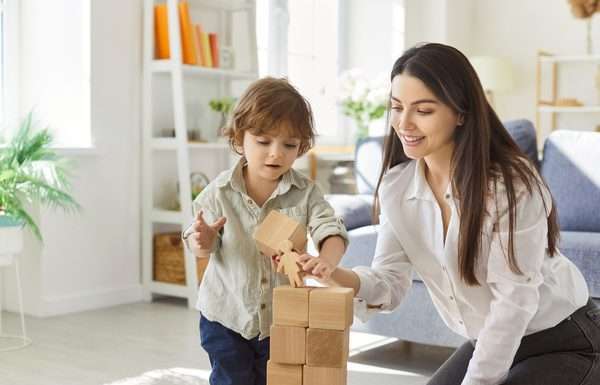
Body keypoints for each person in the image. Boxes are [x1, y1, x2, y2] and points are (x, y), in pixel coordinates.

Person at [299, 43, 600, 385]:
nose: (404, 123)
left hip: (565, 337)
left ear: (461, 113)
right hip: (490, 339)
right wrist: (334, 274)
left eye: (423, 110)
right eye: (397, 107)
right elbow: (388, 283)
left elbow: (514, 303)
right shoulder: (398, 188)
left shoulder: (509, 184)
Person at [182, 77, 348, 385]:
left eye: (289, 144)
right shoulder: (217, 193)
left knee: (276, 380)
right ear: (239, 138)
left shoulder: (306, 193)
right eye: (263, 141)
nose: (276, 153)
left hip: (280, 321)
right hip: (225, 317)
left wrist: (326, 260)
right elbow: (199, 245)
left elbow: (331, 228)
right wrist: (202, 239)